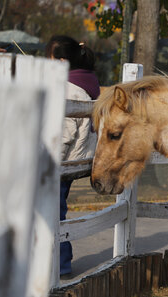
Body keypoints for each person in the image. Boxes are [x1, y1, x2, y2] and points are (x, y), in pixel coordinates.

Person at [45, 35, 100, 276]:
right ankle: (60, 263)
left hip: (61, 162)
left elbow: (64, 135)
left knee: (53, 213)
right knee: (58, 211)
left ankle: (60, 265)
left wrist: (49, 163)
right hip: (76, 159)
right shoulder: (88, 84)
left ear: (62, 61)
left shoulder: (68, 89)